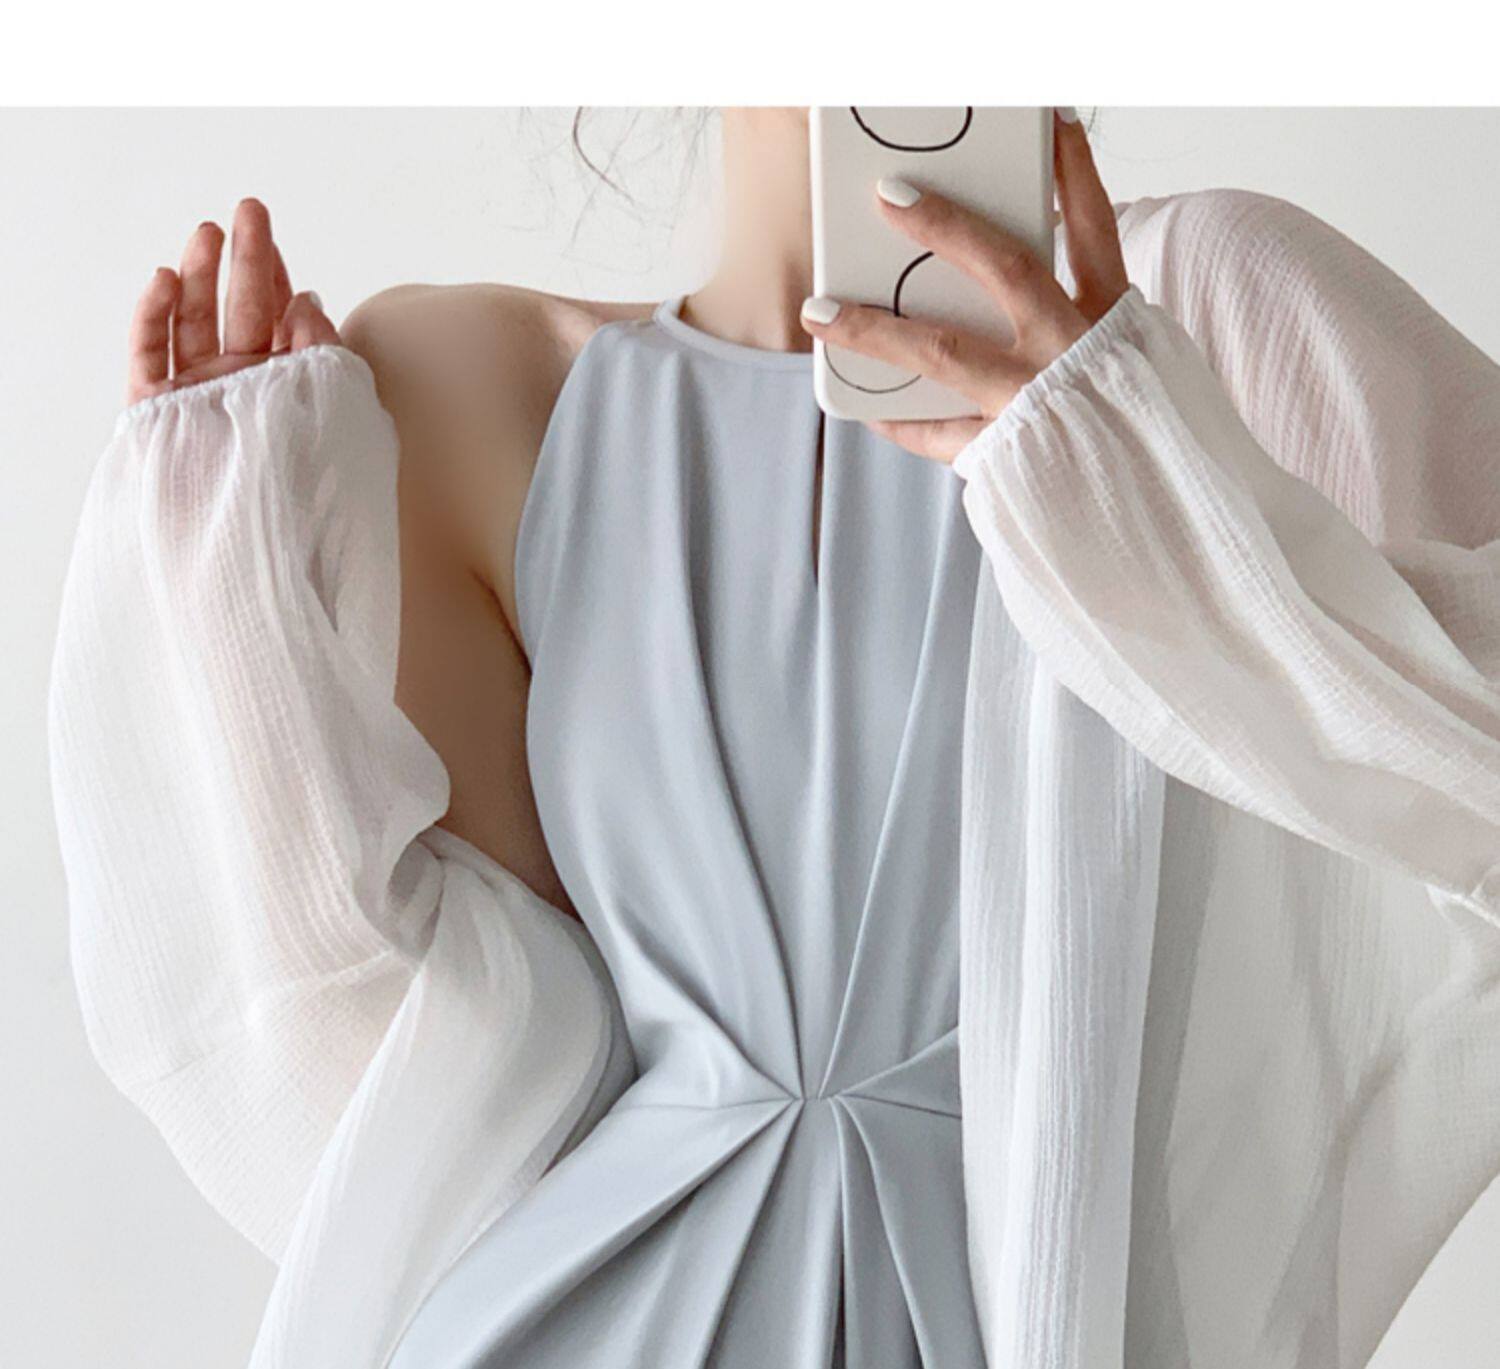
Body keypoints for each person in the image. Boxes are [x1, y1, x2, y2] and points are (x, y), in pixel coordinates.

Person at [50, 107, 1500, 1368]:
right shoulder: (478, 384)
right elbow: (451, 1050)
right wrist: (232, 633)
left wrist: (1141, 488)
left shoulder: (1211, 306)